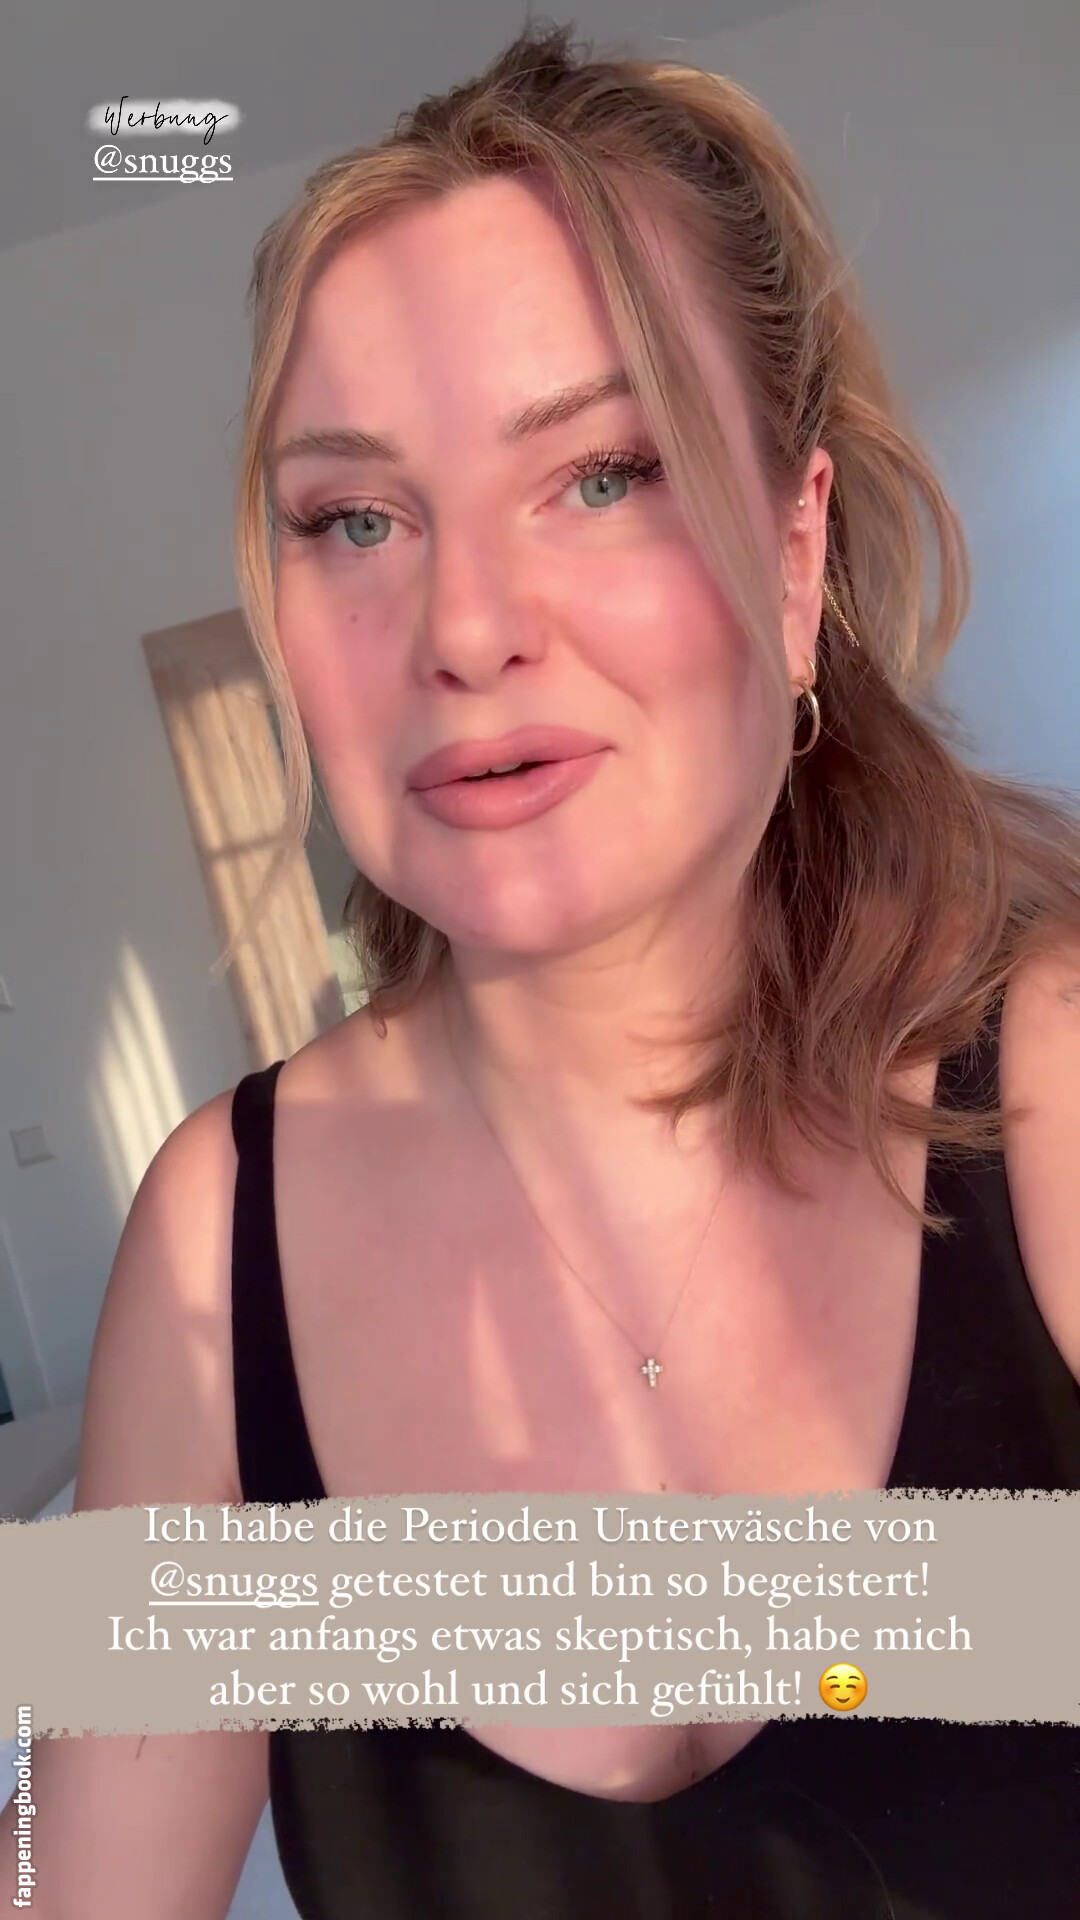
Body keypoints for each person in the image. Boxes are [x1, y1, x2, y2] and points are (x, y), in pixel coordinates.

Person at [5, 19, 1080, 1918]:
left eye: (600, 472)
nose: (466, 626)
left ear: (797, 553)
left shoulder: (1051, 1079)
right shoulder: (214, 1242)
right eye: (356, 519)